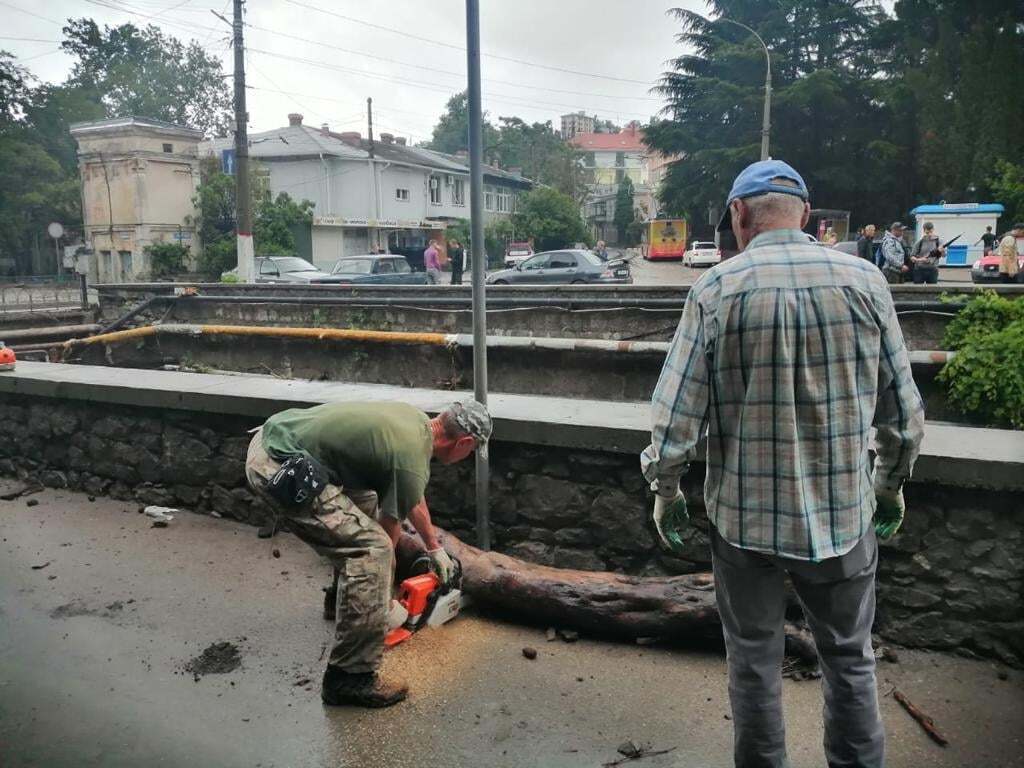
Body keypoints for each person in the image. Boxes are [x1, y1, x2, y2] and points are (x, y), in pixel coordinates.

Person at [642, 159, 924, 768]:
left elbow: (674, 422)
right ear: (806, 212)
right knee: (850, 656)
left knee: (753, 661)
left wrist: (666, 490)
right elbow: (904, 416)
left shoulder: (716, 289)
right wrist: (889, 485)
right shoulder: (865, 281)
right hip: (844, 515)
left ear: (740, 215)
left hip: (743, 525)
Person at [245, 400, 492, 708]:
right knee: (371, 550)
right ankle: (349, 677)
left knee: (365, 502)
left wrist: (434, 547)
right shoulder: (411, 458)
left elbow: (408, 492)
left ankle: (342, 602)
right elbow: (387, 537)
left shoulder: (414, 424)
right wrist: (382, 602)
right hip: (277, 465)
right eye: (470, 452)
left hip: (277, 436)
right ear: (465, 442)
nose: (466, 457)